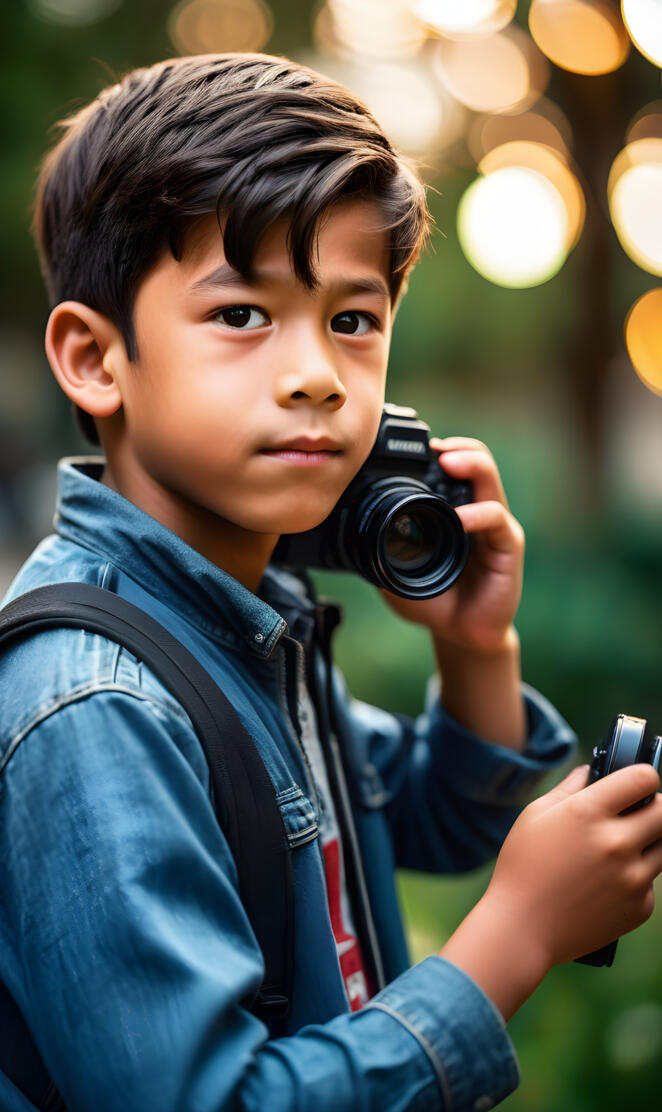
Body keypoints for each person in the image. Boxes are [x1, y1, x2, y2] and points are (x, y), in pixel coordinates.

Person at [1, 52, 662, 1112]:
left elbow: (434, 820)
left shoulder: (247, 622)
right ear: (94, 358)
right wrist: (517, 935)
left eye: (352, 320)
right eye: (242, 314)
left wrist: (471, 643)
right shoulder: (100, 704)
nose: (315, 371)